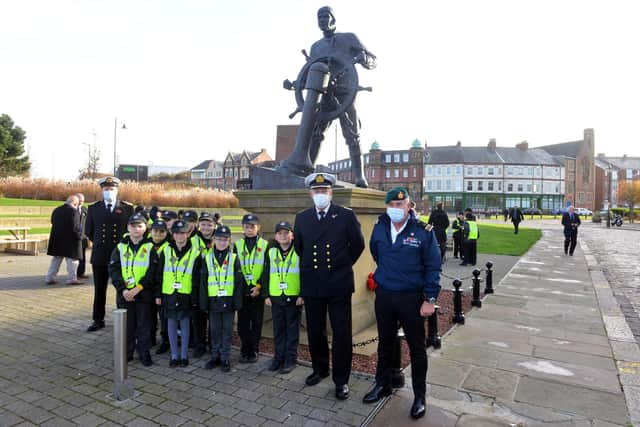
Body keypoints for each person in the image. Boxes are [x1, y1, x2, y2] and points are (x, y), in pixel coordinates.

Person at [364, 187, 441, 419]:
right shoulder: (379, 227)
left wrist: (430, 299)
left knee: (417, 348)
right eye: (392, 206)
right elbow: (376, 253)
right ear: (387, 207)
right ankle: (382, 384)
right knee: (385, 343)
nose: (396, 209)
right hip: (385, 295)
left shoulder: (423, 231)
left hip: (411, 298)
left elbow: (433, 266)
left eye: (400, 205)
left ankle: (419, 396)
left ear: (409, 206)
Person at [293, 172, 365, 400]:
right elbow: (300, 249)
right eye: (316, 191)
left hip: (338, 284)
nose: (320, 194)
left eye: (324, 191)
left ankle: (341, 380)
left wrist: (341, 266)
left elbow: (358, 245)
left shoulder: (345, 215)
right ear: (310, 193)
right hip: (313, 283)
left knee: (341, 333)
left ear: (331, 192)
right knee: (315, 330)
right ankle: (320, 368)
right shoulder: (302, 217)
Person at [306, 6, 377, 188]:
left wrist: (364, 58)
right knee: (315, 134)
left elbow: (372, 60)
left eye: (326, 16)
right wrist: (298, 83)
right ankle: (307, 169)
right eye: (319, 17)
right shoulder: (316, 47)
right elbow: (310, 72)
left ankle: (360, 176)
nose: (322, 20)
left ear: (333, 20)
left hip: (345, 93)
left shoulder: (349, 38)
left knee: (352, 134)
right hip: (325, 96)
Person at [108, 214, 158, 366]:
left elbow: (152, 271)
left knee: (144, 326)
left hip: (143, 293)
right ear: (128, 228)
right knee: (127, 326)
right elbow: (114, 269)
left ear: (145, 228)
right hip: (125, 295)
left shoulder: (150, 247)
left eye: (140, 226)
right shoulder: (120, 247)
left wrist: (138, 288)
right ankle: (127, 353)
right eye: (133, 226)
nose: (136, 229)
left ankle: (144, 353)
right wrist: (123, 290)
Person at [85, 177, 134, 332]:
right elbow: (89, 231)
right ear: (101, 190)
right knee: (99, 289)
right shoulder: (93, 208)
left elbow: (129, 231)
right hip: (100, 254)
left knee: (122, 288)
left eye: (111, 189)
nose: (108, 192)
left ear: (117, 190)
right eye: (106, 189)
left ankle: (124, 318)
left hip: (120, 256)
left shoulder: (127, 208)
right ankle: (98, 319)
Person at [154, 220, 201, 367]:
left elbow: (197, 279)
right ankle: (174, 355)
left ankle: (184, 355)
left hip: (186, 294)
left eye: (183, 233)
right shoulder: (165, 251)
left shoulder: (195, 253)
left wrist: (194, 298)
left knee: (185, 324)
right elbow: (159, 275)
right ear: (172, 235)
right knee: (171, 324)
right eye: (177, 233)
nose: (180, 236)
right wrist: (158, 295)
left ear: (188, 234)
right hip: (169, 293)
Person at [200, 225, 243, 372]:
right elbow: (203, 283)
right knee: (215, 330)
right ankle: (215, 357)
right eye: (219, 239)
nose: (221, 242)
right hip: (213, 301)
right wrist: (204, 303)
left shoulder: (234, 258)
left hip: (228, 301)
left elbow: (238, 283)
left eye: (225, 239)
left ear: (229, 241)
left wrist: (237, 303)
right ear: (214, 239)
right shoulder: (207, 258)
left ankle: (225, 358)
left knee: (227, 330)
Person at [265, 221, 303, 374]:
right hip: (276, 297)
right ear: (275, 236)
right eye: (280, 233)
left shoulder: (299, 252)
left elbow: (305, 274)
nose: (283, 236)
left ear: (292, 235)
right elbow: (265, 274)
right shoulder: (271, 252)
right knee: (278, 329)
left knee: (292, 330)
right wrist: (266, 295)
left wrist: (303, 294)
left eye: (286, 233)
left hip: (294, 298)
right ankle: (278, 357)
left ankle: (290, 359)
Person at [234, 213, 269, 363]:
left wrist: (259, 287)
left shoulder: (265, 245)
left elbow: (267, 270)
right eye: (247, 226)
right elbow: (235, 269)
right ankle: (244, 349)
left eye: (252, 226)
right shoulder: (238, 245)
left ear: (258, 227)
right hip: (242, 291)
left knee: (256, 323)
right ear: (243, 228)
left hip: (257, 290)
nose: (249, 229)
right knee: (242, 324)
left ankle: (254, 349)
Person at [46, 195, 83, 285]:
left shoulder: (56, 210)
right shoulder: (74, 212)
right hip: (70, 241)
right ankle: (72, 279)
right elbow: (76, 227)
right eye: (77, 204)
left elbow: (52, 221)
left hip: (57, 239)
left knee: (56, 259)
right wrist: (80, 237)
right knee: (72, 261)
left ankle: (50, 277)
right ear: (75, 203)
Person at [149, 219, 170, 353]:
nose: (157, 234)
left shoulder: (169, 247)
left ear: (166, 233)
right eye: (155, 230)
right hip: (146, 288)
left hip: (162, 288)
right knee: (149, 316)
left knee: (164, 318)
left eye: (161, 231)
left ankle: (165, 341)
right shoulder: (145, 245)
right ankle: (150, 338)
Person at [75, 193, 89, 279]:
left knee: (83, 256)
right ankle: (73, 274)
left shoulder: (85, 210)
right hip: (74, 238)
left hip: (83, 238)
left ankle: (81, 273)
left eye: (82, 201)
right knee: (74, 258)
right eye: (79, 201)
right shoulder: (72, 209)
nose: (81, 202)